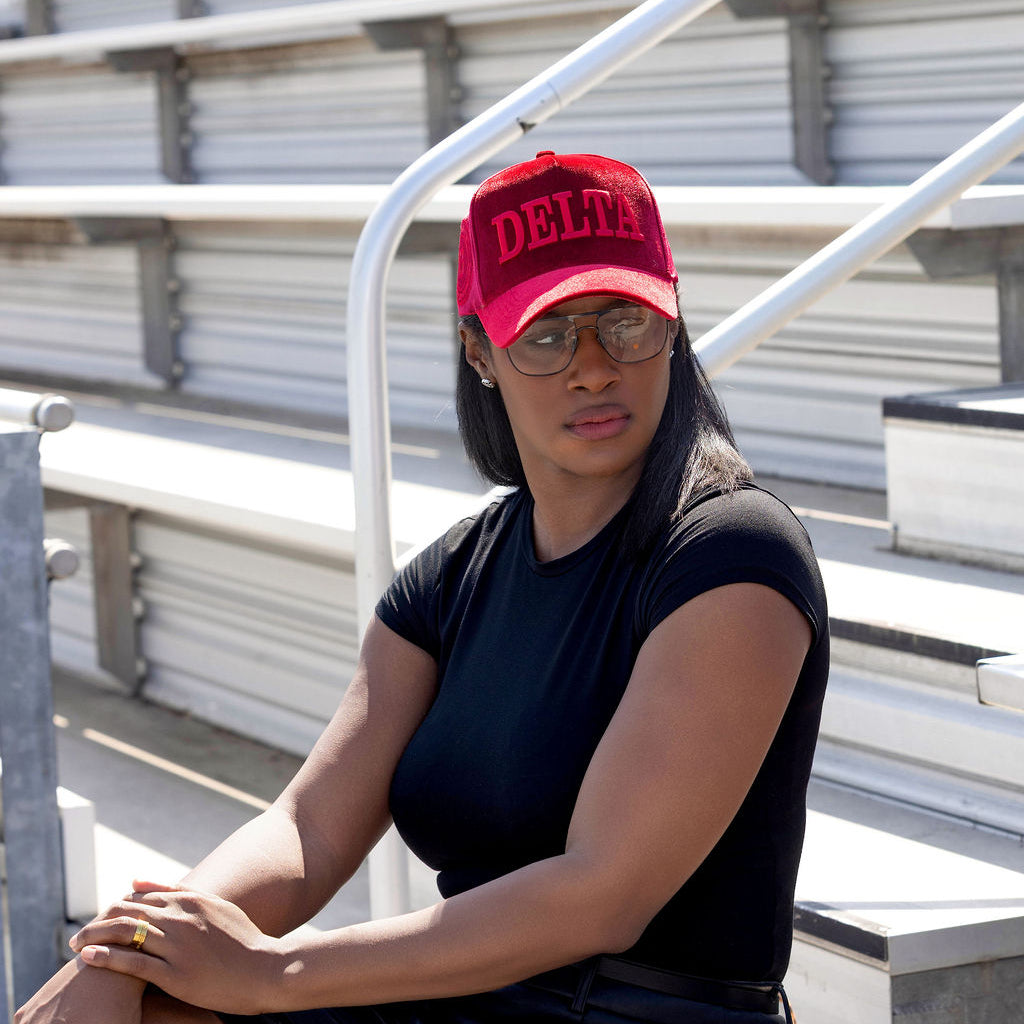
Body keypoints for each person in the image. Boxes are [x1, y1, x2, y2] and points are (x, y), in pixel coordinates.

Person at [17, 151, 828, 1024]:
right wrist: (126, 953)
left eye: (625, 323)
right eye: (548, 335)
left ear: (672, 320)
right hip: (470, 999)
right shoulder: (453, 574)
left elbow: (603, 892)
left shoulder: (734, 553)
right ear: (480, 347)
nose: (593, 368)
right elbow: (308, 830)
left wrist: (275, 973)